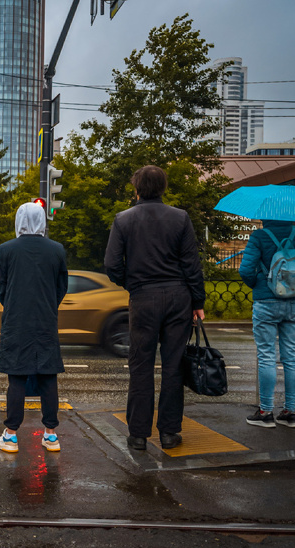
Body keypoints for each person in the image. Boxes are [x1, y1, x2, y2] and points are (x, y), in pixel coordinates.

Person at [105, 165, 205, 451]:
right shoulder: (180, 218)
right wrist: (197, 302)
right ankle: (170, 433)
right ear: (163, 188)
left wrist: (132, 284)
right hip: (178, 298)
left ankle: (138, 434)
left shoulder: (123, 219)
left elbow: (112, 265)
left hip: (143, 299)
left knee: (140, 366)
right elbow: (191, 264)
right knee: (173, 366)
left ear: (136, 189)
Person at [0, 202, 68, 454]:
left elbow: (0, 288)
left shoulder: (6, 250)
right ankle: (51, 434)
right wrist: (47, 306)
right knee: (48, 376)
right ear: (43, 221)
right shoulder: (57, 250)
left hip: (16, 321)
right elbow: (61, 287)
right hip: (46, 321)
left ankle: (11, 435)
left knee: (17, 376)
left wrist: (13, 305)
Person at [239, 220, 295, 429]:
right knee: (292, 357)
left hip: (266, 302)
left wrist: (260, 284)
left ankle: (266, 412)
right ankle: (290, 412)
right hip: (294, 302)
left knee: (267, 356)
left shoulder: (259, 236)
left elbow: (245, 270)